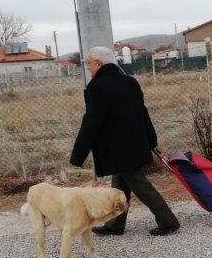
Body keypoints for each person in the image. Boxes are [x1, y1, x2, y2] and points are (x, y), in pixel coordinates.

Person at [70, 46, 180, 236]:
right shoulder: (130, 82)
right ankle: (115, 224)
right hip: (135, 144)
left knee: (140, 184)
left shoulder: (96, 88)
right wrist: (151, 140)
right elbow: (143, 113)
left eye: (89, 63)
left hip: (118, 148)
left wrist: (77, 155)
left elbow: (91, 124)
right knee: (120, 184)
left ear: (99, 63)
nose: (88, 67)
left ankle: (168, 221)